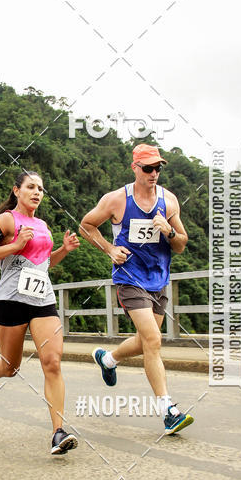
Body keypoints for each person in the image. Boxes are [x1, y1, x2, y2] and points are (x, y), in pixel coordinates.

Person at [79, 143, 193, 434]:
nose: (154, 173)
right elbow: (86, 225)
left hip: (158, 280)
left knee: (145, 342)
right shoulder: (117, 199)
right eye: (148, 168)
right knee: (154, 340)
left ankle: (109, 358)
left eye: (158, 168)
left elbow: (181, 244)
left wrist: (168, 230)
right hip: (129, 278)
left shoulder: (168, 201)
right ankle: (168, 410)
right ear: (135, 169)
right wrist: (109, 249)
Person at [0, 169, 80, 454]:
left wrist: (64, 250)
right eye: (31, 187)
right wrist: (15, 246)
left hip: (42, 300)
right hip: (11, 300)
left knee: (53, 362)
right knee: (10, 367)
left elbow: (42, 266)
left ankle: (58, 432)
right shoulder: (5, 220)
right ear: (17, 190)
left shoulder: (44, 226)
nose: (37, 192)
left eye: (41, 189)